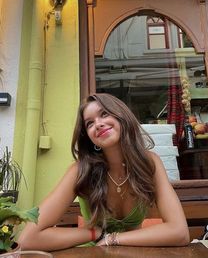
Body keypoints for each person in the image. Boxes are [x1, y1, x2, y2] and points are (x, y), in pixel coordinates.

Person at [18, 93, 190, 251]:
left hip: (135, 250)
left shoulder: (149, 162)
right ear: (89, 136)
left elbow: (179, 232)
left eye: (104, 114)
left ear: (122, 116)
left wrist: (113, 238)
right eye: (89, 123)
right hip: (92, 253)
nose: (98, 124)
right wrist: (96, 234)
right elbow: (27, 239)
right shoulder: (81, 170)